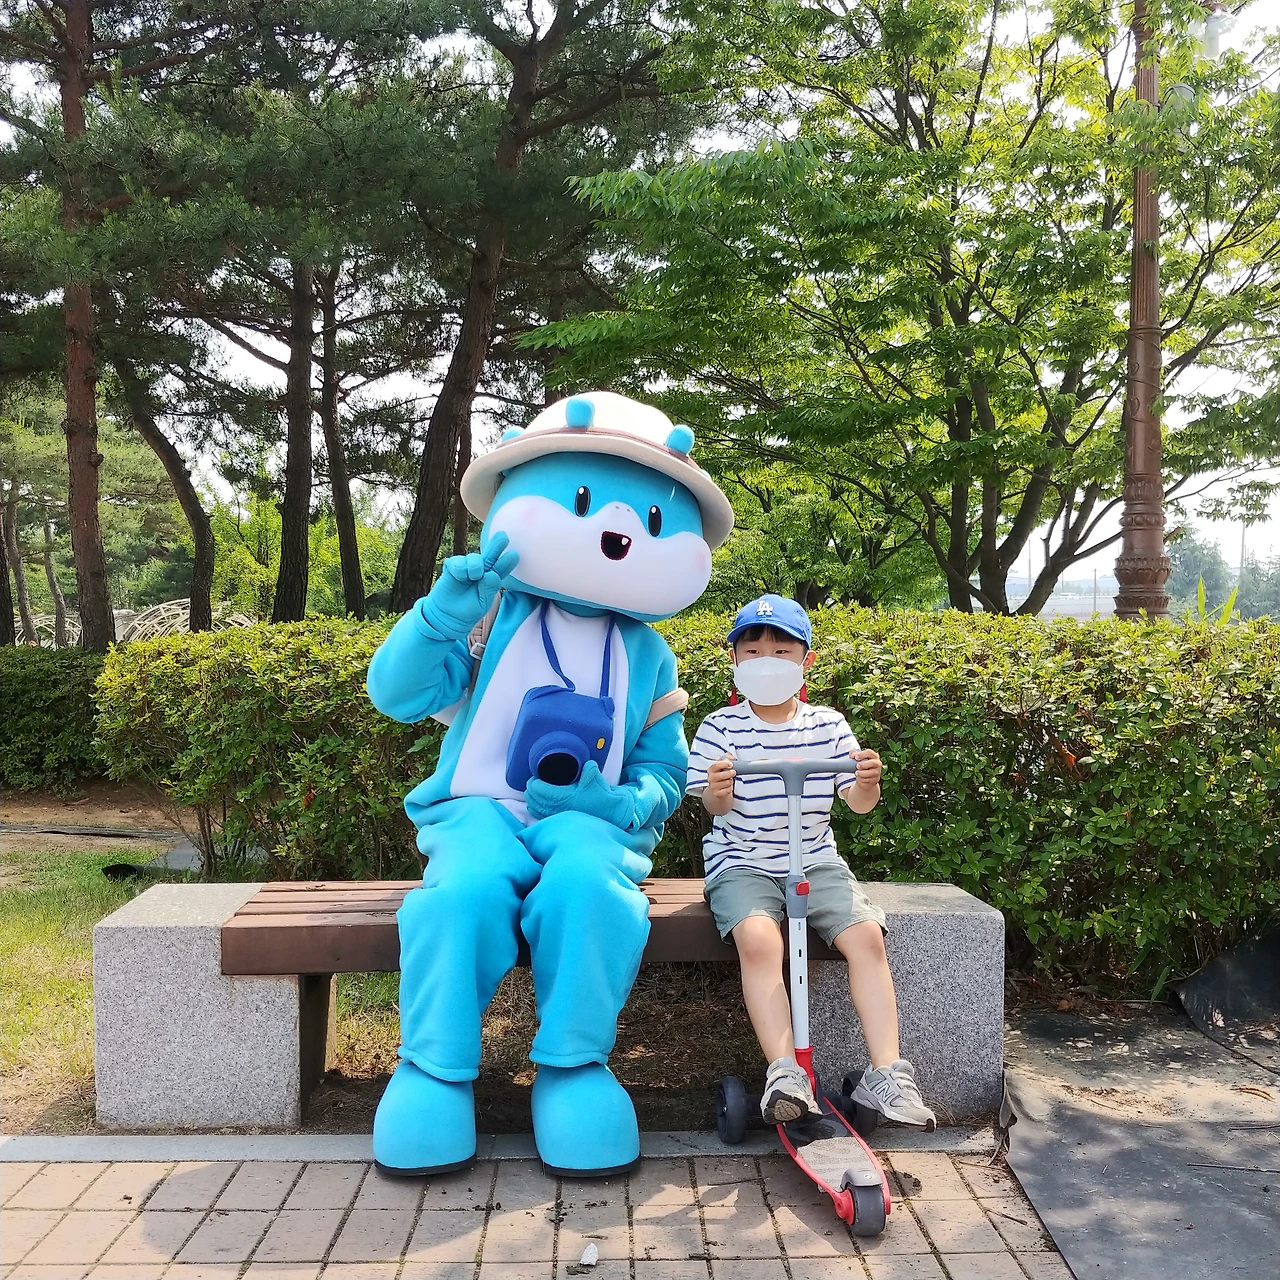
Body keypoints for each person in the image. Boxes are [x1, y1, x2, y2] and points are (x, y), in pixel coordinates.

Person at [686, 594, 936, 1127]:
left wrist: (866, 781)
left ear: (806, 660)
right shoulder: (720, 726)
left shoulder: (827, 724)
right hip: (743, 860)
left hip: (815, 860)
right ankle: (785, 1071)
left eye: (781, 651)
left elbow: (858, 802)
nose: (766, 660)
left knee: (866, 937)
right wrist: (719, 790)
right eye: (753, 651)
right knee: (760, 941)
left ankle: (888, 1073)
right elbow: (712, 806)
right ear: (734, 660)